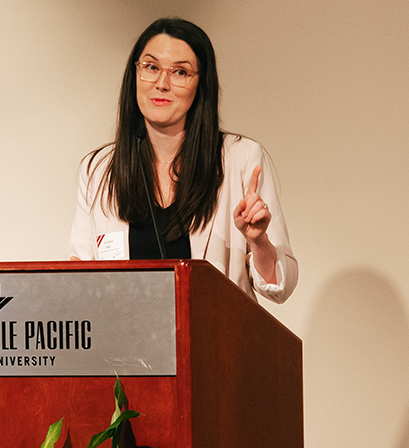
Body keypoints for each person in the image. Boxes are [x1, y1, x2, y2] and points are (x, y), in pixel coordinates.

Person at [67, 17, 297, 304]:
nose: (162, 84)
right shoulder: (98, 170)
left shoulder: (240, 158)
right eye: (151, 67)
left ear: (200, 85)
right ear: (134, 74)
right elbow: (80, 274)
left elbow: (279, 288)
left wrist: (258, 240)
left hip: (213, 344)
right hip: (129, 345)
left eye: (180, 72)